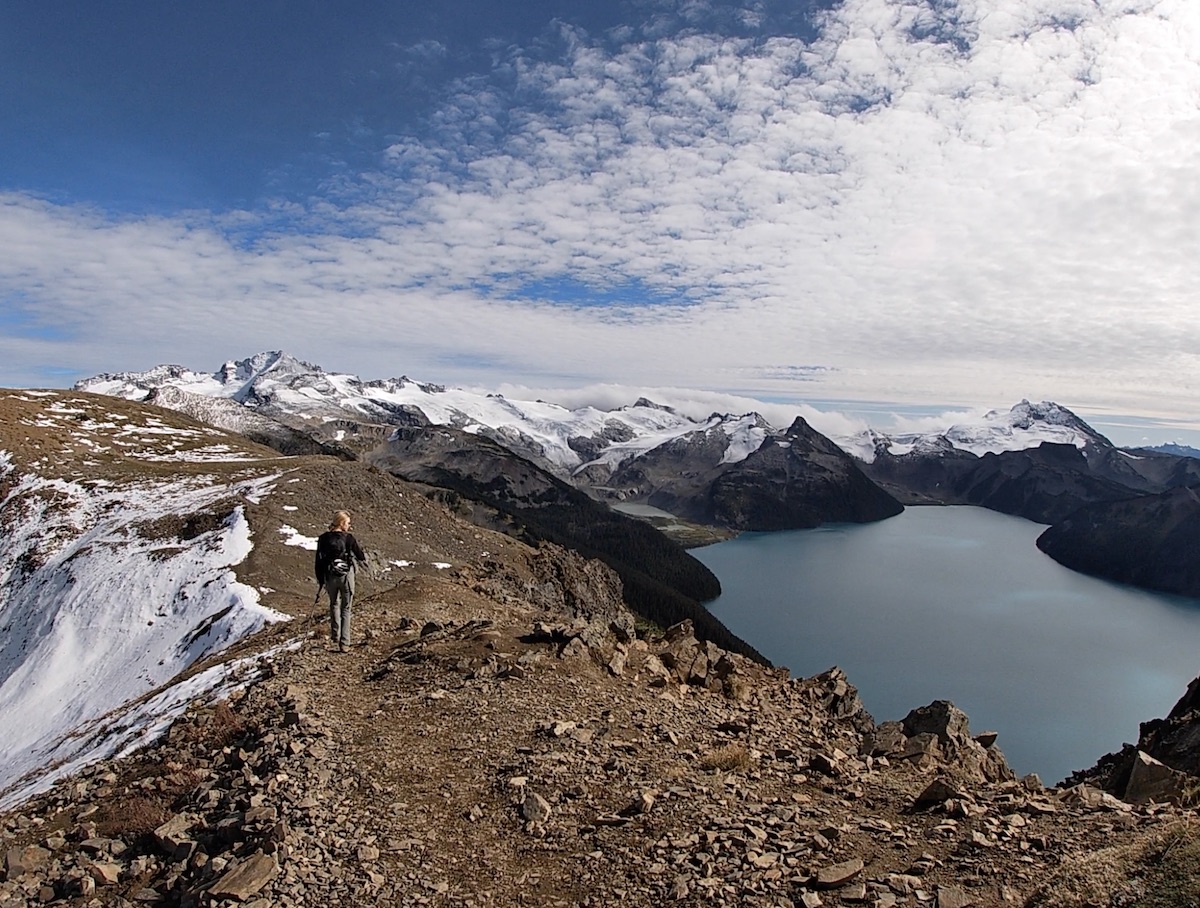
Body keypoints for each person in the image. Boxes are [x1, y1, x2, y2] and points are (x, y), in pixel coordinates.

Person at [314, 510, 367, 652]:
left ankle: (335, 634)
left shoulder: (323, 538)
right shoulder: (349, 538)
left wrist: (321, 580)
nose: (349, 526)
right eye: (348, 523)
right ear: (342, 523)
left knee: (334, 604)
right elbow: (360, 556)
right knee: (346, 607)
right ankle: (345, 642)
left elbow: (318, 561)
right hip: (346, 576)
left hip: (330, 576)